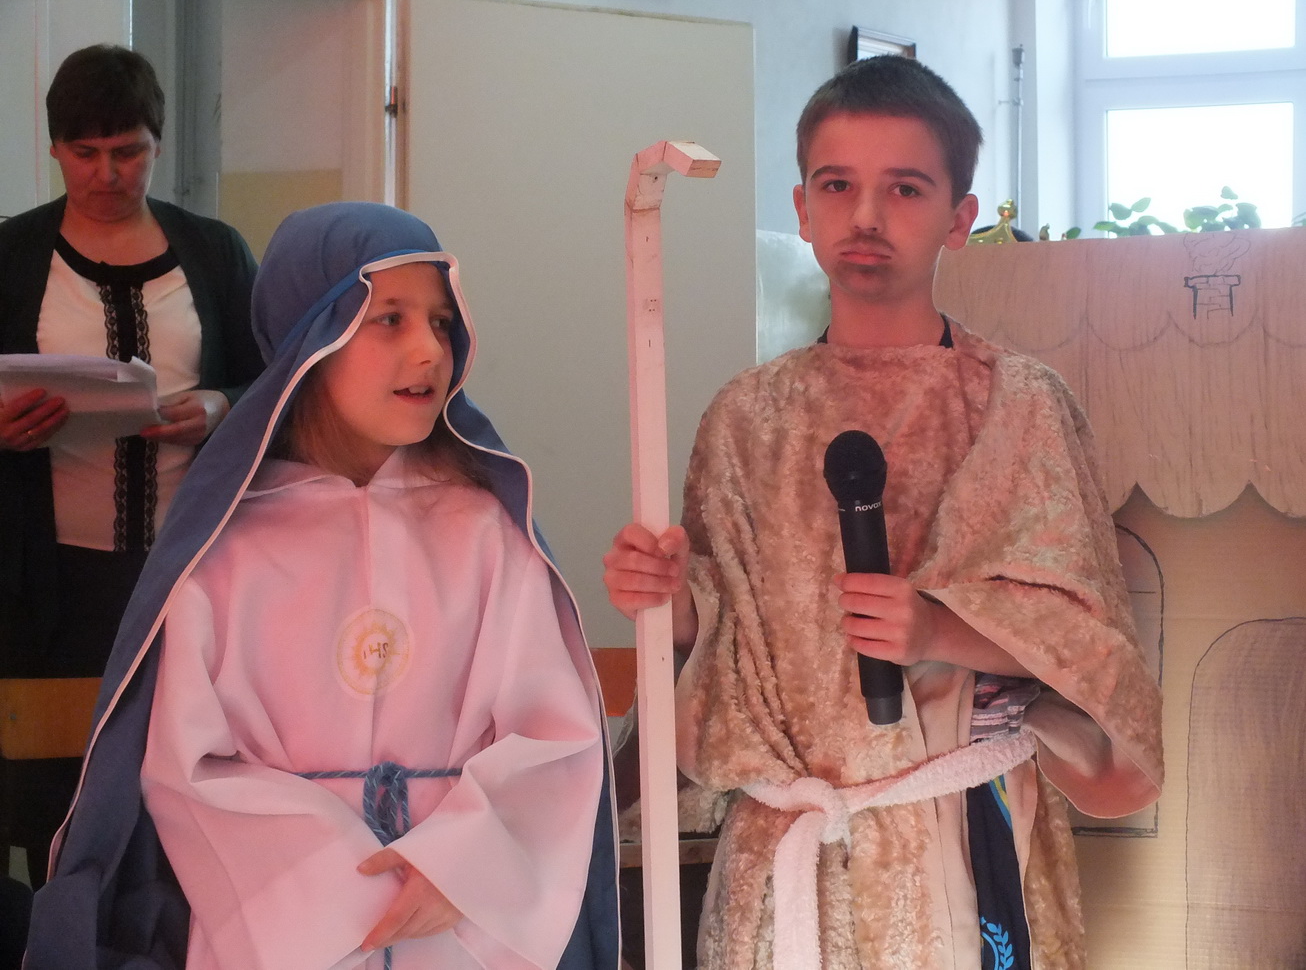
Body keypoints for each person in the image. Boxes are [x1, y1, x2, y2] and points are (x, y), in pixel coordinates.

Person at [603, 56, 1163, 969]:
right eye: (838, 186)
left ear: (958, 218)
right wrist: (668, 598)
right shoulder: (747, 415)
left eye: (904, 188)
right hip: (786, 859)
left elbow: (1090, 649)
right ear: (802, 209)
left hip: (959, 835)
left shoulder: (1017, 404)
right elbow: (729, 641)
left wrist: (940, 628)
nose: (866, 215)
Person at [25, 202, 619, 969]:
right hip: (281, 937)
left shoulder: (487, 533)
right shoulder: (228, 549)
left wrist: (464, 860)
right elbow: (189, 769)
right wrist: (341, 891)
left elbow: (554, 732)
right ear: (312, 339)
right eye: (390, 319)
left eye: (441, 322)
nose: (428, 349)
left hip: (464, 930)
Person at [0, 43, 262, 892]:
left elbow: (279, 383)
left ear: (158, 143)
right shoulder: (11, 254)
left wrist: (220, 406)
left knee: (181, 786)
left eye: (128, 151)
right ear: (53, 147)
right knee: (51, 795)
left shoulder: (214, 251)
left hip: (190, 575)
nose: (107, 174)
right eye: (85, 153)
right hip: (43, 584)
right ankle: (54, 932)